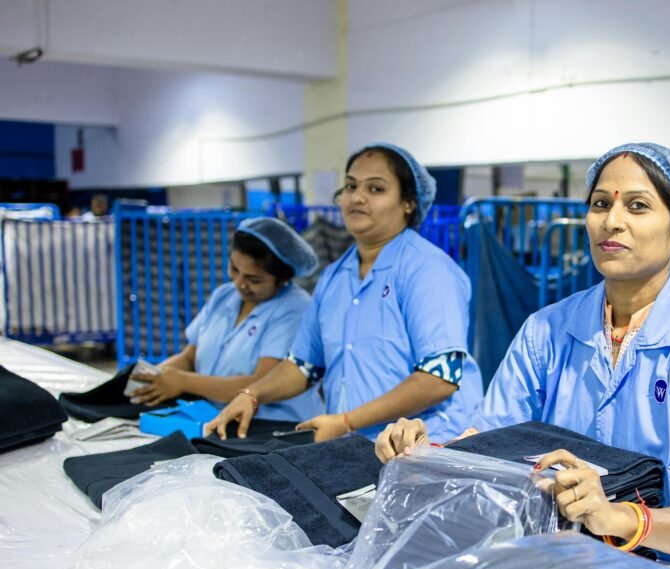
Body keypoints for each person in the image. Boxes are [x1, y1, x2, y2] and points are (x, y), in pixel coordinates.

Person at [376, 142, 670, 569]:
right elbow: (490, 443)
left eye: (637, 206)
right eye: (600, 204)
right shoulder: (545, 333)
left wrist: (617, 517)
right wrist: (428, 454)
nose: (612, 221)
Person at [205, 143, 483, 443]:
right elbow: (303, 366)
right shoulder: (334, 278)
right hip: (357, 446)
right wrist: (251, 394)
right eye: (350, 186)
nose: (357, 197)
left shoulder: (428, 270)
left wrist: (347, 421)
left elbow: (438, 379)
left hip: (427, 444)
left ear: (408, 203)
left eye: (375, 189)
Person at [128, 217, 323, 422]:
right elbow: (189, 358)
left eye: (254, 279)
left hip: (273, 425)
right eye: (234, 270)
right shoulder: (224, 296)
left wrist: (183, 382)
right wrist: (154, 377)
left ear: (282, 279)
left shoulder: (295, 310)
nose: (240, 284)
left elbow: (261, 384)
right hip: (216, 418)